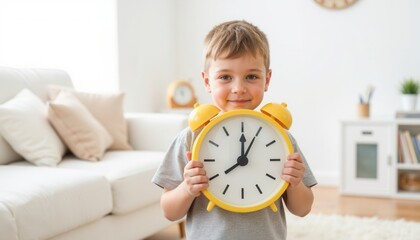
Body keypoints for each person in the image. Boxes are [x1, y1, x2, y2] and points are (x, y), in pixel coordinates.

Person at [152, 20, 317, 240]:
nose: (238, 88)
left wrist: (295, 184)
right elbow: (169, 212)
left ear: (267, 80)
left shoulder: (281, 138)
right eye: (225, 77)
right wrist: (187, 189)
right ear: (207, 81)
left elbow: (302, 209)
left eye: (251, 76)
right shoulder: (191, 138)